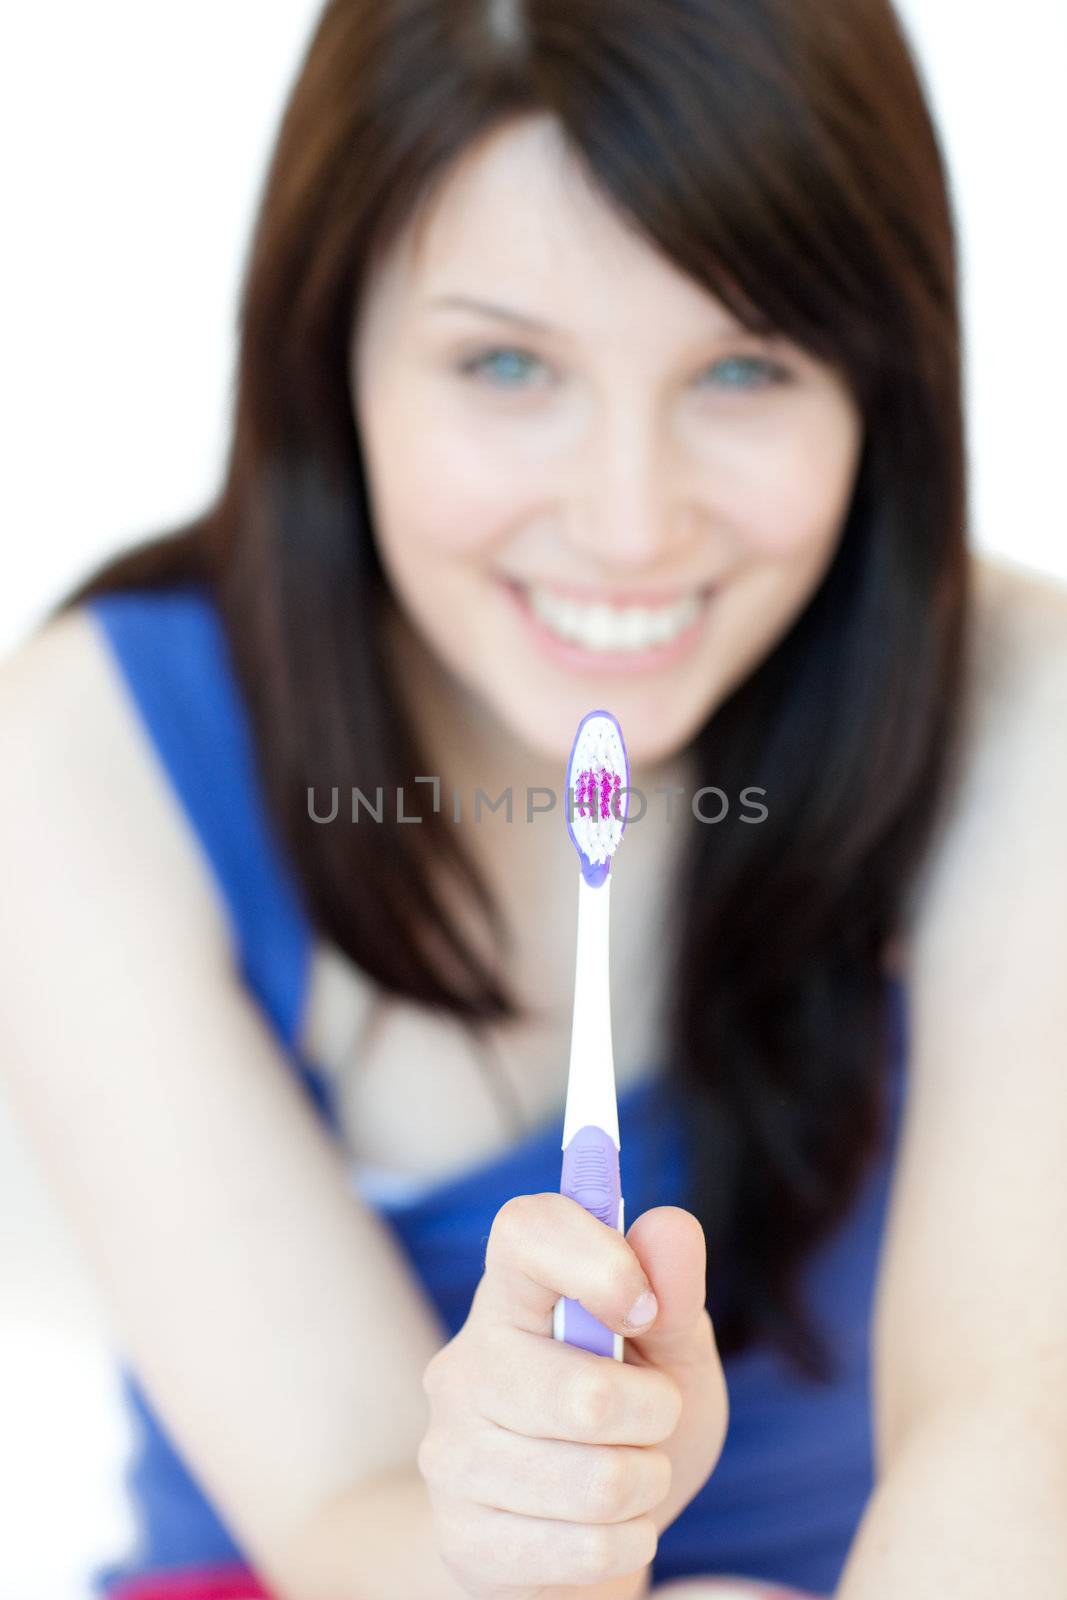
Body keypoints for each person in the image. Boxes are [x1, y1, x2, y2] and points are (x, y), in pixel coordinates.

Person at [2, 0, 1065, 1596]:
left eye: (744, 366)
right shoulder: (92, 756)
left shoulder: (1017, 704)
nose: (631, 524)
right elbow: (345, 1511)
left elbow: (1015, 1442)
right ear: (326, 359)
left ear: (882, 392)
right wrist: (508, 1538)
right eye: (506, 363)